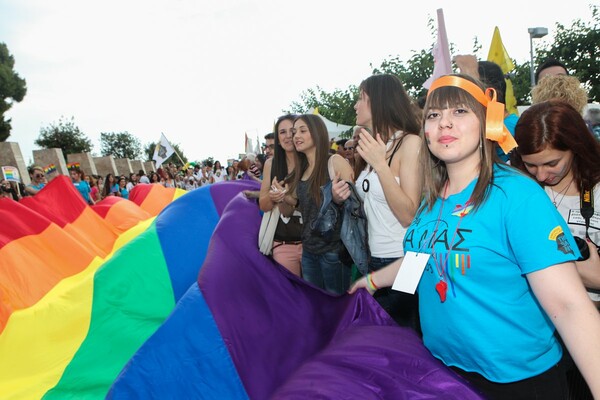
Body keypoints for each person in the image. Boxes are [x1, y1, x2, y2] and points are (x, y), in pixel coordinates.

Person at [350, 74, 600, 399]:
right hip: (447, 374)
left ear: (487, 123)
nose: (444, 124)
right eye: (434, 115)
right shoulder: (430, 201)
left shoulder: (516, 195)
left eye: (459, 112)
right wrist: (371, 282)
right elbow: (423, 260)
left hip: (518, 383)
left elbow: (569, 307)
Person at [349, 73, 423, 330]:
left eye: (361, 98)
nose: (356, 105)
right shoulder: (373, 146)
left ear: (380, 101)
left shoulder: (409, 143)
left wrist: (381, 165)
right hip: (375, 259)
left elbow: (409, 215)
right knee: (384, 343)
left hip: (407, 259)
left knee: (407, 342)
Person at [511, 100, 600, 301]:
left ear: (575, 147)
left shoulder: (596, 190)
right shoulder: (514, 186)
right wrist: (580, 272)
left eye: (552, 163)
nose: (541, 175)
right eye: (530, 165)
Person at [279, 114, 354, 294]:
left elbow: (355, 204)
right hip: (309, 251)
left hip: (334, 252)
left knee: (337, 309)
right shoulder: (301, 169)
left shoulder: (334, 162)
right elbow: (300, 209)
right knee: (316, 306)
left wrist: (337, 199)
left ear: (317, 133)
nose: (295, 136)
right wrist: (282, 197)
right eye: (294, 132)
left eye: (302, 131)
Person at [259, 114, 304, 276]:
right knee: (289, 296)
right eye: (282, 132)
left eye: (292, 130)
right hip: (283, 244)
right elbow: (263, 205)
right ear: (277, 138)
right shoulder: (271, 164)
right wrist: (274, 197)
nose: (288, 136)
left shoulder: (310, 160)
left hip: (313, 245)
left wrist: (289, 199)